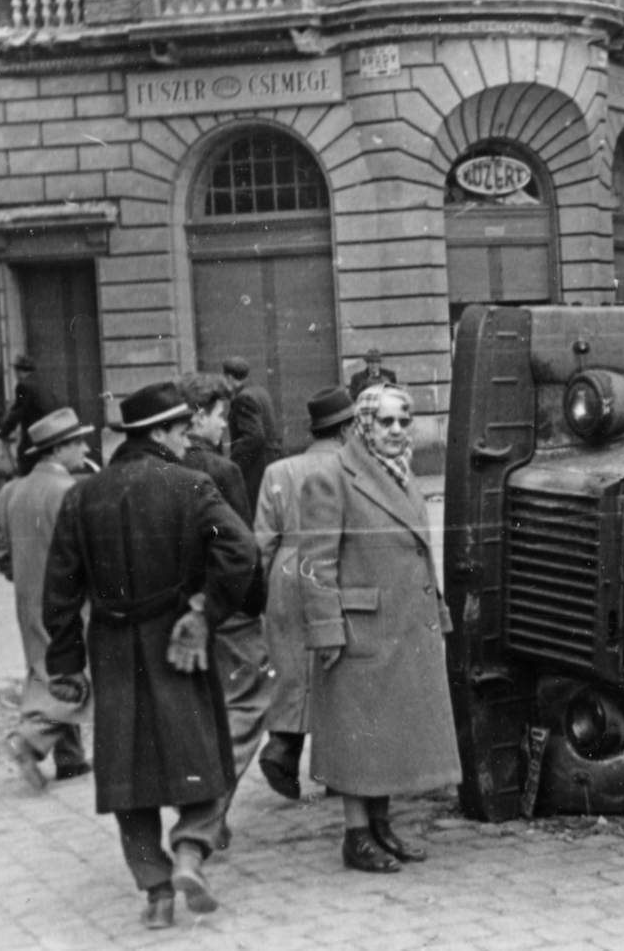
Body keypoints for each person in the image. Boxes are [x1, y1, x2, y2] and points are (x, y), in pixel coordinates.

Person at [43, 382, 258, 930]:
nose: (189, 440)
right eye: (182, 430)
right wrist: (203, 611)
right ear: (159, 433)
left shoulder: (82, 495)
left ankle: (157, 894)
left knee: (125, 776)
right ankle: (190, 851)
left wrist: (66, 664)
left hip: (113, 648)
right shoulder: (192, 486)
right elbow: (241, 551)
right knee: (207, 757)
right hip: (177, 642)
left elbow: (61, 589)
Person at [297, 383, 460, 872]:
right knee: (357, 737)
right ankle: (356, 835)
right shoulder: (332, 476)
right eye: (385, 421)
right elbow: (315, 561)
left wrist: (439, 611)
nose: (395, 430)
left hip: (403, 626)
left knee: (387, 736)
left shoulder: (404, 474)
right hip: (358, 630)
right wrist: (326, 628)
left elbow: (417, 554)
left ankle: (381, 826)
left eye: (403, 421)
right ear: (362, 424)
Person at [176, 372, 272, 848]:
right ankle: (204, 818)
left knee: (201, 711)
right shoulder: (220, 470)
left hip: (177, 614)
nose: (224, 427)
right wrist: (256, 605)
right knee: (247, 706)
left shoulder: (160, 464)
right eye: (219, 416)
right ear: (197, 416)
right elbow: (244, 552)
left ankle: (208, 814)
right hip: (227, 612)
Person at [251, 386, 357, 800]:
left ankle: (282, 748)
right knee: (338, 665)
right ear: (347, 428)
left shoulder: (279, 471)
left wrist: (260, 595)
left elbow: (260, 542)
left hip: (287, 568)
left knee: (292, 662)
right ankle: (337, 768)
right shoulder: (353, 470)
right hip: (337, 566)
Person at [0, 407, 94, 790]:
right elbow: (86, 551)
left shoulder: (10, 492)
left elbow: (0, 550)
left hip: (28, 598)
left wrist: (24, 576)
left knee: (46, 667)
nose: (84, 448)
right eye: (78, 442)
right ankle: (30, 740)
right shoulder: (70, 491)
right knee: (75, 670)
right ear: (59, 449)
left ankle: (71, 758)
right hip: (68, 598)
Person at [223, 357, 281, 514]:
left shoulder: (243, 397)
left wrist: (233, 465)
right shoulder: (260, 391)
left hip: (256, 468)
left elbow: (254, 437)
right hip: (270, 462)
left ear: (229, 378)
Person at [0, 354, 52, 477]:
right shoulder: (42, 382)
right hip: (48, 432)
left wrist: (4, 432)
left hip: (35, 434)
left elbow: (17, 411)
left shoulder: (23, 386)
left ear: (18, 371)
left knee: (24, 457)